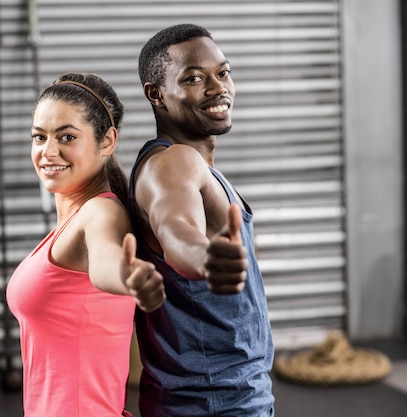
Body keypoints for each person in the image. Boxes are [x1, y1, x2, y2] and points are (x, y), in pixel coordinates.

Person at [128, 24, 275, 416]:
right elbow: (175, 226)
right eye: (194, 78)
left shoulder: (191, 164)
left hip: (218, 395)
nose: (217, 88)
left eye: (223, 73)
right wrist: (203, 257)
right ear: (156, 94)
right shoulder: (173, 163)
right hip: (215, 402)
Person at [6, 72, 166, 416]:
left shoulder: (100, 212)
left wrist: (127, 276)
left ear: (107, 141)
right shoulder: (73, 218)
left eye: (66, 136)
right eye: (39, 136)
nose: (48, 151)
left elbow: (106, 260)